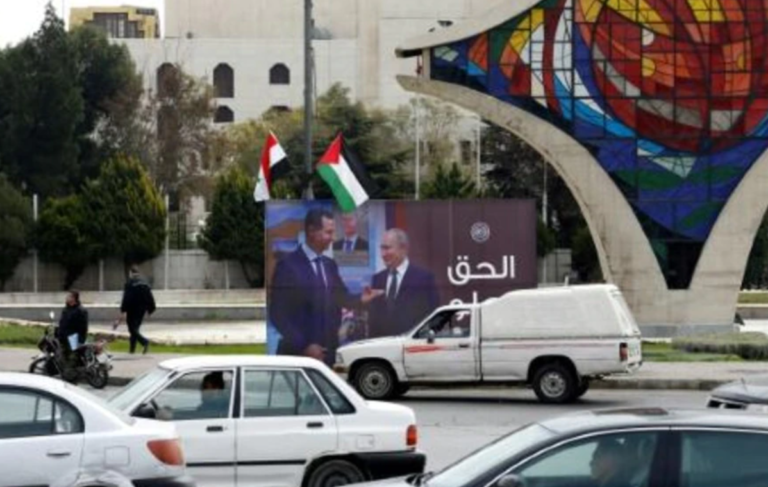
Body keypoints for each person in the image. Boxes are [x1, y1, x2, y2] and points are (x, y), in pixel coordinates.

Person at [270, 208, 381, 365]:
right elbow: (277, 314)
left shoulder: (330, 265)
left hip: (328, 354)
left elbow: (341, 297)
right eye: (329, 232)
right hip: (298, 357)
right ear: (311, 231)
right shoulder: (287, 266)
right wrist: (304, 346)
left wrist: (361, 298)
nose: (333, 238)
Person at [367, 229, 440, 338]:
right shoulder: (378, 279)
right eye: (382, 248)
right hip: (383, 346)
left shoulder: (424, 279)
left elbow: (433, 318)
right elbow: (373, 322)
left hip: (413, 345)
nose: (383, 254)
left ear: (403, 249)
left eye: (387, 248)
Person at [114, 265, 156, 355]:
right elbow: (149, 296)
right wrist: (151, 308)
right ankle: (132, 349)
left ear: (131, 273)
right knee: (135, 329)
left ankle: (144, 342)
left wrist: (123, 310)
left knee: (132, 329)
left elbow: (126, 298)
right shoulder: (145, 283)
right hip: (141, 310)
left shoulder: (129, 283)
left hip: (132, 310)